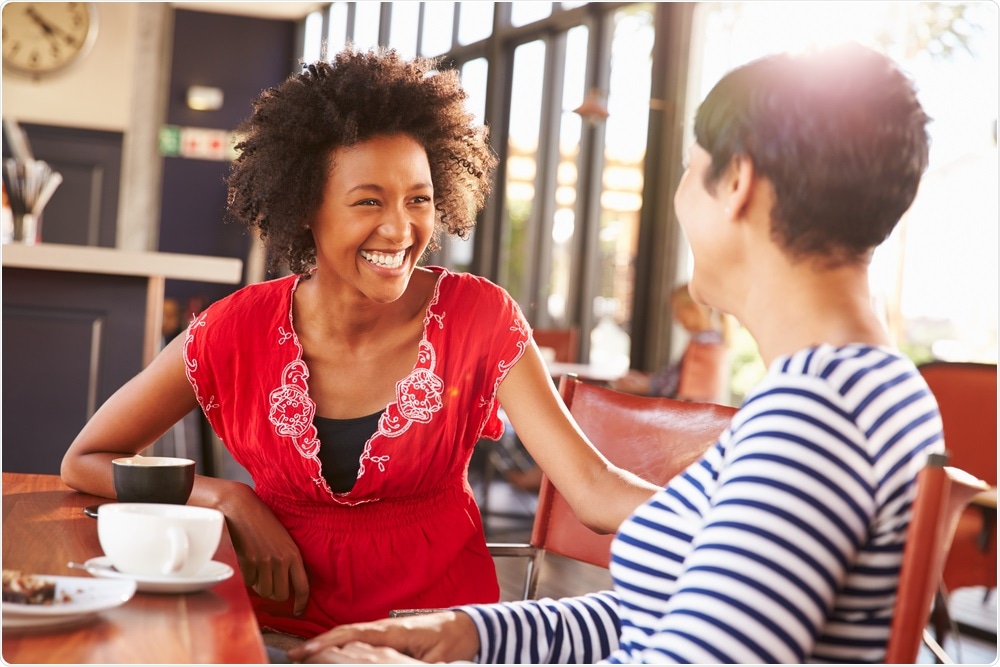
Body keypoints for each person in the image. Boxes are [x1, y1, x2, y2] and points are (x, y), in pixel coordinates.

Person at [287, 42, 944, 664]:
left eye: (689, 169)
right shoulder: (861, 391)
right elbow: (660, 614)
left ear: (737, 179)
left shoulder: (814, 417)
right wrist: (465, 632)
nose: (682, 198)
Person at [60, 47, 659, 645]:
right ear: (304, 210)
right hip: (269, 634)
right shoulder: (232, 331)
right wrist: (225, 496)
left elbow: (593, 487)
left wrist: (738, 518)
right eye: (368, 200)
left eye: (418, 199)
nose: (400, 230)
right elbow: (85, 460)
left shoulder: (481, 316)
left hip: (431, 640)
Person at [611, 282, 731, 402]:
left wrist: (643, 385)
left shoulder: (704, 344)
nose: (676, 319)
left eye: (678, 311)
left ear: (694, 309)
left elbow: (677, 388)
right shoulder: (713, 340)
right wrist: (646, 380)